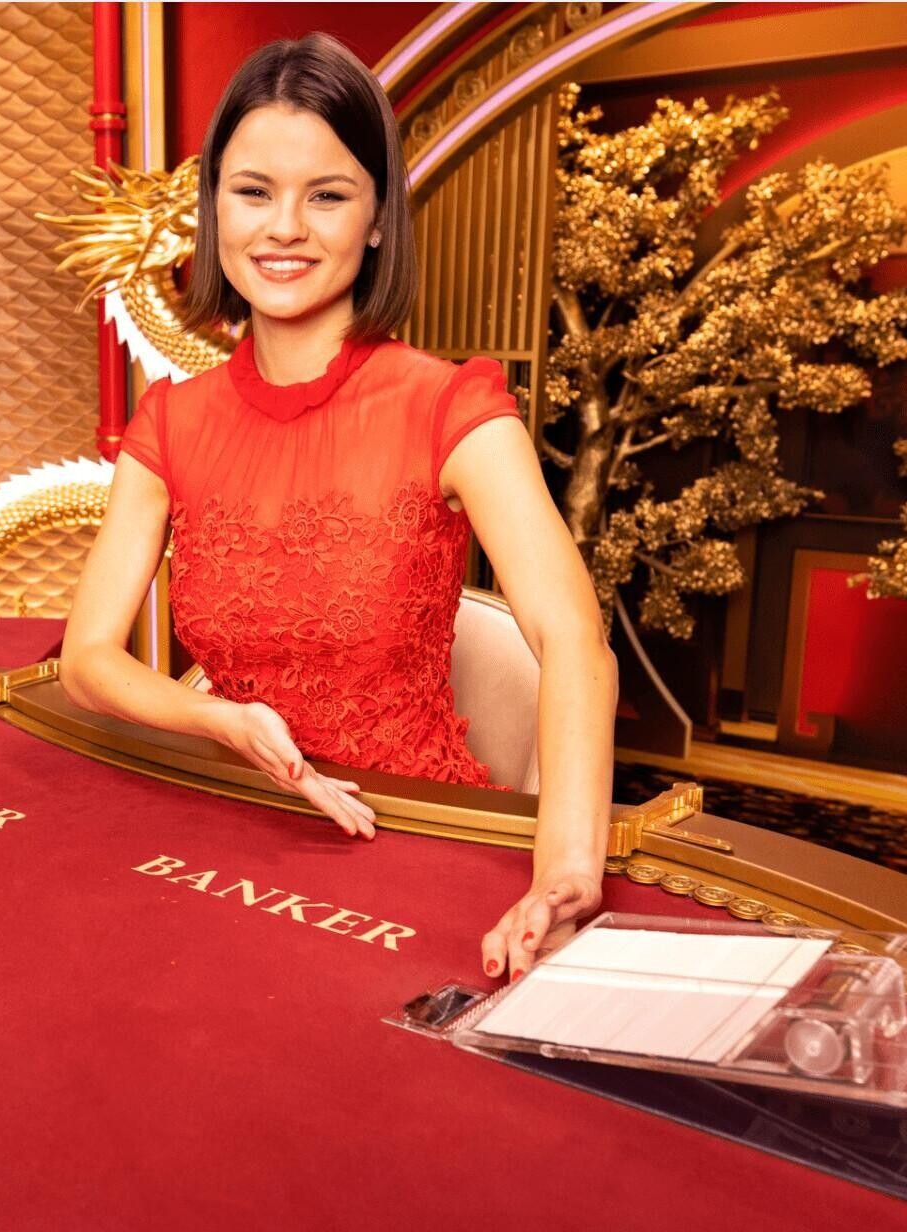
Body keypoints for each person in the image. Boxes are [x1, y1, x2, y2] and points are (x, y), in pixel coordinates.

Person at [58, 34, 617, 983]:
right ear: (213, 211)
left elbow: (575, 645)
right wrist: (222, 723)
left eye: (327, 195)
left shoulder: (452, 406)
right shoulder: (171, 420)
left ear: (377, 220)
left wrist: (565, 870)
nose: (284, 228)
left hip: (409, 838)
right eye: (252, 191)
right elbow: (86, 660)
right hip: (230, 832)